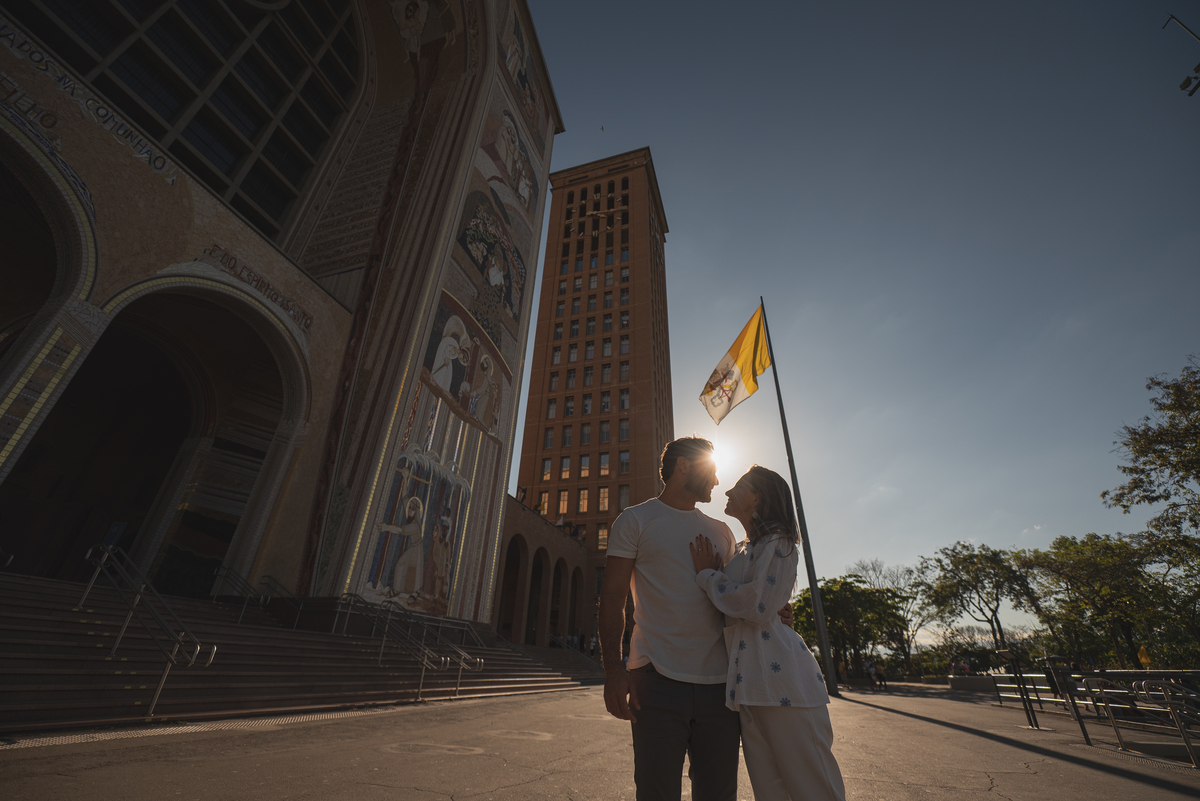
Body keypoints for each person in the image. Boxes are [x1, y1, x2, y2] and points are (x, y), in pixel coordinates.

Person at [690, 465, 845, 801]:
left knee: (813, 786)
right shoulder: (743, 551)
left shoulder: (779, 541)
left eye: (738, 486)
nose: (728, 492)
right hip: (749, 686)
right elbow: (743, 604)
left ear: (757, 497)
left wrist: (707, 576)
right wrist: (720, 580)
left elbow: (757, 606)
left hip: (784, 684)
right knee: (771, 790)